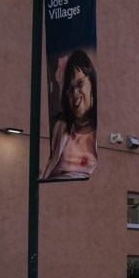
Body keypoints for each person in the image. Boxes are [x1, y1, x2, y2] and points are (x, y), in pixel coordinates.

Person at [41, 49, 98, 182]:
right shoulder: (62, 127)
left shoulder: (99, 130)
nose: (75, 93)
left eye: (80, 84)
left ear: (91, 81)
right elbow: (51, 164)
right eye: (70, 89)